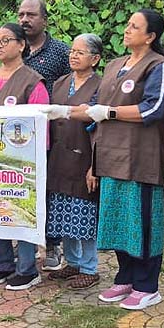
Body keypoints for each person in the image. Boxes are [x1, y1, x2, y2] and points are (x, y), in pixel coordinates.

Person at [45, 9, 164, 310]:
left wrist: (111, 113)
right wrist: (63, 112)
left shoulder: (159, 67)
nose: (127, 30)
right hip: (110, 157)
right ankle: (125, 278)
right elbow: (94, 108)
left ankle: (147, 285)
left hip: (139, 159)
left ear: (151, 36)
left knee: (141, 223)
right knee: (116, 222)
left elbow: (153, 109)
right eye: (127, 24)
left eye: (135, 26)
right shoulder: (116, 66)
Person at [0, 23, 49, 290]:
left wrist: (35, 159)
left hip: (21, 163)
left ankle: (27, 268)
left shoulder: (33, 81)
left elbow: (42, 126)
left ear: (21, 45)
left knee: (21, 212)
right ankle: (2, 264)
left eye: (6, 40)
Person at [42, 33, 103, 290]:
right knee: (62, 213)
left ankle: (90, 267)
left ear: (95, 58)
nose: (73, 56)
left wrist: (95, 166)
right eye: (72, 51)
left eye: (80, 52)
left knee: (83, 214)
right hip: (59, 158)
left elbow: (102, 129)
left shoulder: (101, 86)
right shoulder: (60, 83)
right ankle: (74, 262)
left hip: (84, 159)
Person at [18, 0, 72, 271]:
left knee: (50, 189)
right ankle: (24, 242)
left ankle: (53, 244)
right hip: (17, 138)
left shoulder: (61, 52)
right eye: (21, 15)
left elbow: (74, 87)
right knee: (22, 187)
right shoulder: (15, 50)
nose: (25, 20)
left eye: (31, 15)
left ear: (44, 19)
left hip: (52, 135)